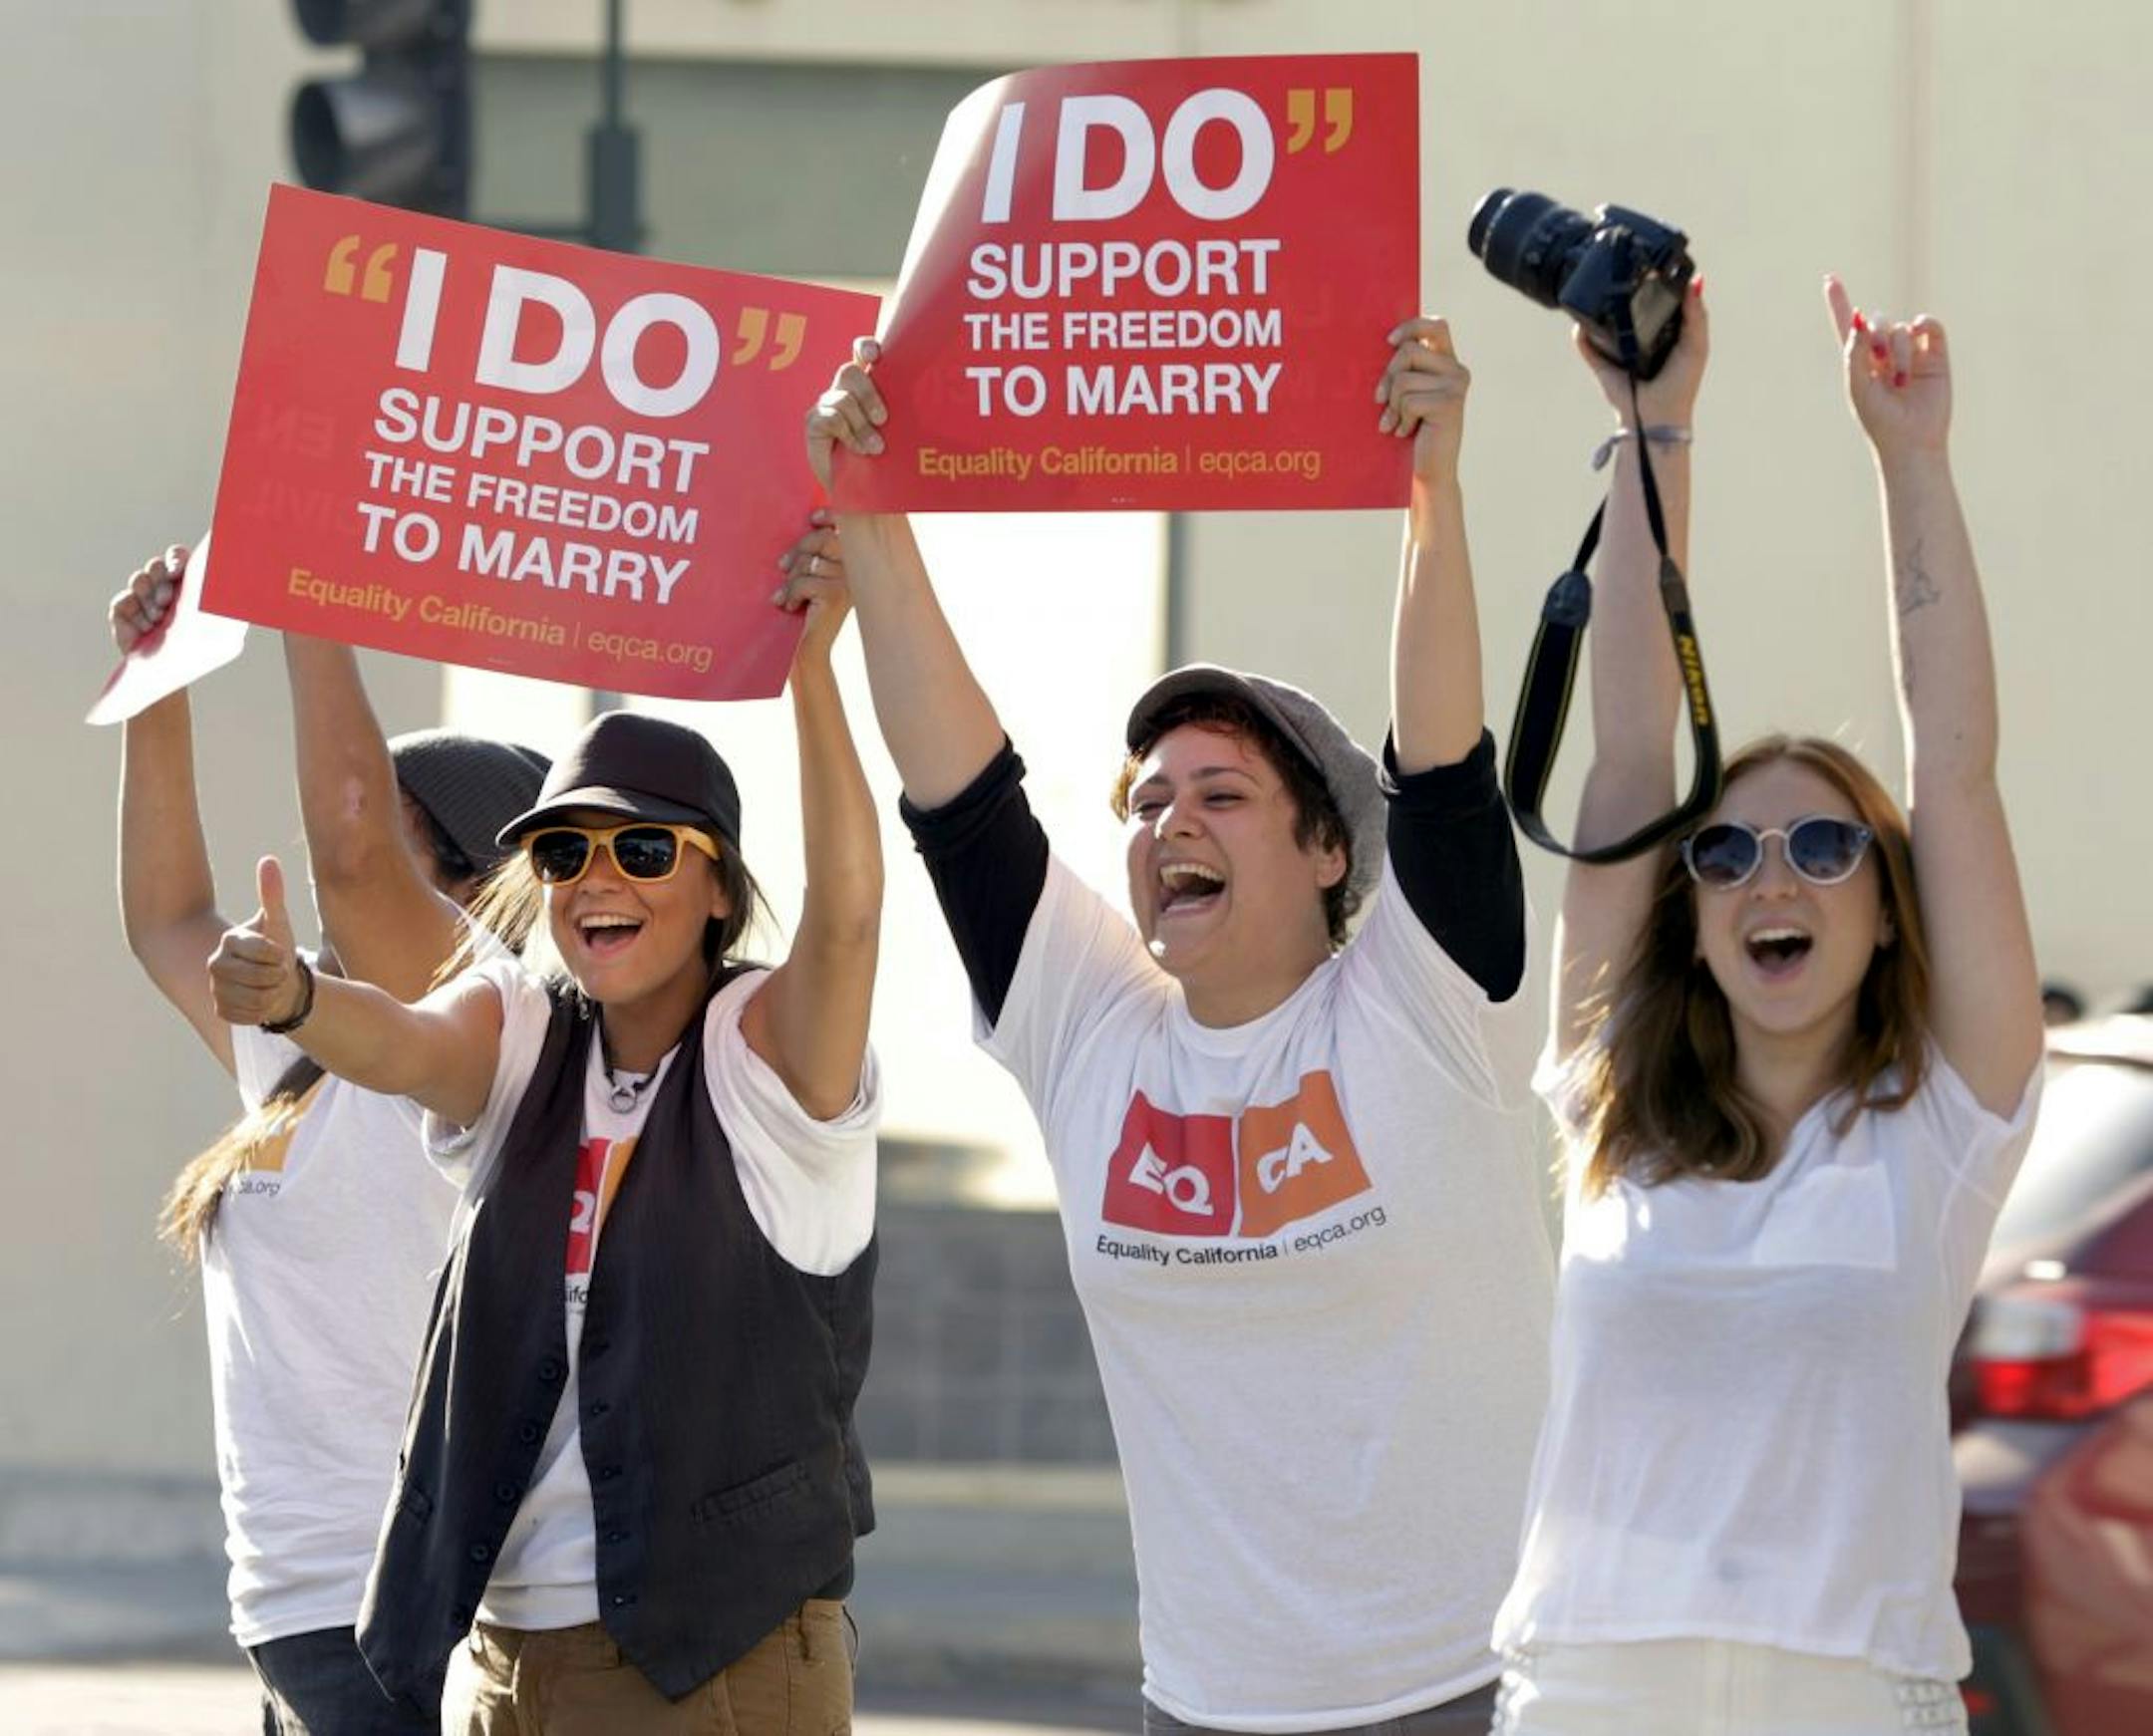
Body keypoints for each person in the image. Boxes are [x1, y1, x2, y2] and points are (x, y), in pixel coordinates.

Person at [802, 320, 1555, 1732]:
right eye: (1149, 800)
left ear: (1331, 849)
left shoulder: (1424, 1007)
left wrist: (1432, 489)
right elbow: (964, 801)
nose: (1169, 825)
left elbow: (1445, 765)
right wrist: (872, 509)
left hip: (1478, 1689)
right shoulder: (1094, 1029)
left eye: (1220, 794)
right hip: (1206, 1706)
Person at [1487, 279, 2041, 1735]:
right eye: (1723, 850)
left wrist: (1911, 460)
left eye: (1824, 844)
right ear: (1689, 909)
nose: (1767, 877)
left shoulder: (1941, 1127)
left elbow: (1959, 769)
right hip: (1591, 1694)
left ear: (1883, 901)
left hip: (1856, 1700)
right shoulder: (1610, 1101)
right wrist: (1655, 422)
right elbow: (1624, 753)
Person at [206, 556, 882, 1736]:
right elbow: (394, 983)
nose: (596, 878)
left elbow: (852, 915)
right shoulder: (524, 1033)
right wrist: (300, 1000)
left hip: (708, 1660)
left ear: (719, 885)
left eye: (644, 849)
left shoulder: (764, 1054)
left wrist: (813, 677)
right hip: (502, 1656)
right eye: (564, 854)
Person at [113, 541, 550, 1733]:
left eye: (393, 829)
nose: (330, 860)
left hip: (406, 1625)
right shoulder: (304, 1051)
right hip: (293, 1616)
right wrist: (157, 682)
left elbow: (352, 859)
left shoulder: (480, 1030)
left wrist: (308, 583)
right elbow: (164, 918)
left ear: (476, 884)